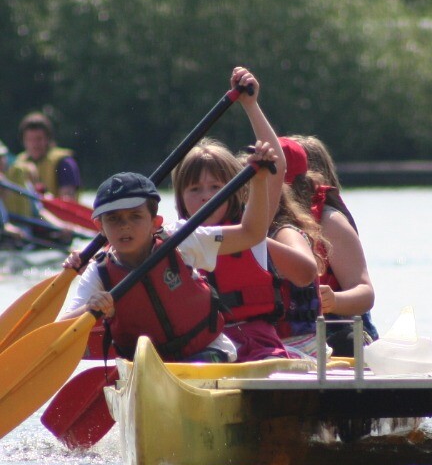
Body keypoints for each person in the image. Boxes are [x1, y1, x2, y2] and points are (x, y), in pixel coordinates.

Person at [58, 142, 278, 364]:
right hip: (148, 370)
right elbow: (59, 331)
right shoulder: (99, 271)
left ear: (155, 222)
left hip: (208, 354)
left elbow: (252, 233)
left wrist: (258, 181)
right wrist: (89, 309)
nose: (125, 226)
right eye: (114, 219)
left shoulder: (180, 239)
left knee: (195, 366)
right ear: (100, 227)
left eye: (135, 216)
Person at [169, 67, 288, 362]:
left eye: (216, 187)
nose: (206, 196)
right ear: (181, 197)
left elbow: (277, 170)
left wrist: (250, 104)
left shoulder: (251, 228)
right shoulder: (173, 238)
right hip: (204, 347)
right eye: (194, 189)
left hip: (257, 345)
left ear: (232, 190)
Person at [284, 134, 379, 357]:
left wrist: (334, 301)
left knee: (347, 342)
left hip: (338, 331)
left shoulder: (330, 222)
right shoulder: (261, 223)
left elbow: (365, 294)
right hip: (289, 335)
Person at [267, 139, 326, 358]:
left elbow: (305, 271)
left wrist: (250, 238)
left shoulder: (285, 232)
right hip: (259, 339)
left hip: (298, 344)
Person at [4, 111, 81, 218]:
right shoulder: (17, 163)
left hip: (58, 224)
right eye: (29, 140)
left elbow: (68, 202)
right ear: (23, 141)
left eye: (39, 139)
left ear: (48, 139)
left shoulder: (64, 162)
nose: (34, 145)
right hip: (28, 223)